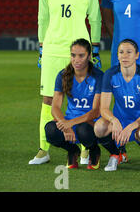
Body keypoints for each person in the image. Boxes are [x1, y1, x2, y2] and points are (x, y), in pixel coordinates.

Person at [30, 0, 102, 165]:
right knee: (49, 98)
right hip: (53, 49)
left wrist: (95, 48)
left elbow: (96, 19)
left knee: (84, 97)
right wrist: (42, 48)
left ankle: (84, 149)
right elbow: (42, 19)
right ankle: (44, 149)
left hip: (79, 50)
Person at [94, 39, 140, 172]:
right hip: (120, 120)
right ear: (117, 56)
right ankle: (116, 154)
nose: (125, 56)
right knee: (99, 128)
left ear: (137, 55)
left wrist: (131, 127)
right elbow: (104, 108)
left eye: (129, 52)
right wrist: (114, 120)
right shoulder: (110, 75)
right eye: (121, 52)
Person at [44, 39, 103, 169]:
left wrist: (71, 123)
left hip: (91, 124)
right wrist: (65, 125)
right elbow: (55, 107)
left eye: (81, 55)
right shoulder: (63, 75)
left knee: (83, 130)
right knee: (50, 130)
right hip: (69, 123)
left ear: (89, 56)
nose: (76, 59)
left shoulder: (98, 77)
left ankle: (94, 150)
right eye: (73, 55)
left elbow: (96, 111)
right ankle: (72, 150)